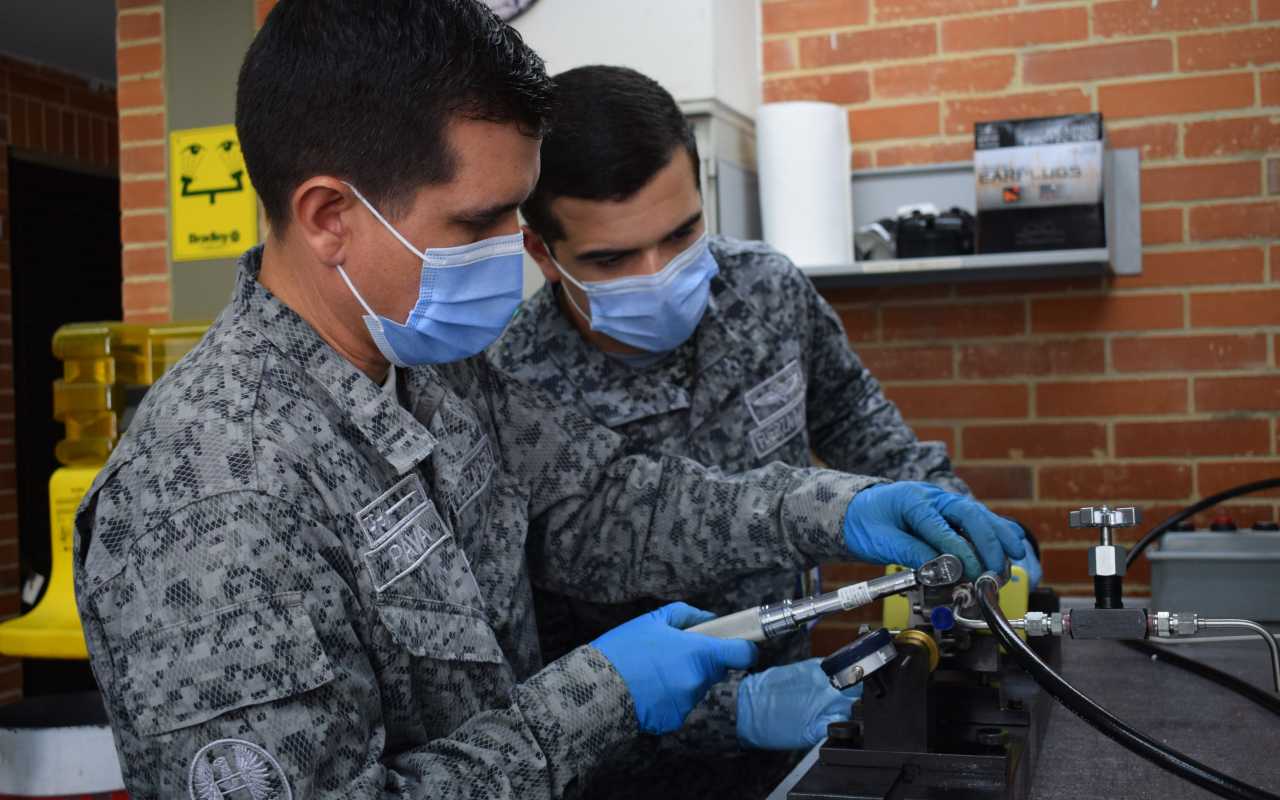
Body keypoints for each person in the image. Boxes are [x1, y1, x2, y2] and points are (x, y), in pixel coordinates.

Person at [74, 4, 1028, 799]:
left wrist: (843, 509)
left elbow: (606, 502)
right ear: (331, 217)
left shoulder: (434, 370)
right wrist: (603, 694)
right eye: (480, 221)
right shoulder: (204, 495)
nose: (507, 252)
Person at [490, 65, 1043, 798]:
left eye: (682, 232)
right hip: (640, 762)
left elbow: (856, 419)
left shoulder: (766, 292)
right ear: (542, 253)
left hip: (813, 714)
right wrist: (735, 713)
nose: (659, 272)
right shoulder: (512, 391)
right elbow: (539, 673)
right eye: (613, 259)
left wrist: (947, 516)